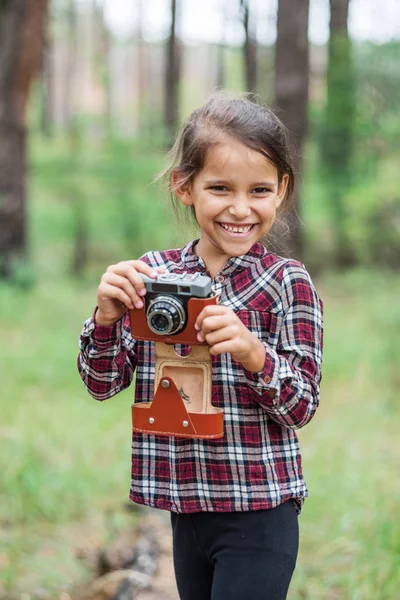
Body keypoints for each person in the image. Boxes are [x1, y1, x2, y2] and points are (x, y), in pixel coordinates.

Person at [77, 92, 323, 600]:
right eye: (219, 188)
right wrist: (105, 317)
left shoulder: (287, 284)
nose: (240, 208)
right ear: (184, 187)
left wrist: (255, 354)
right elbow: (101, 384)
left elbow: (302, 406)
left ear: (282, 190)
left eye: (258, 190)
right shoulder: (152, 278)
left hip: (260, 510)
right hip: (184, 510)